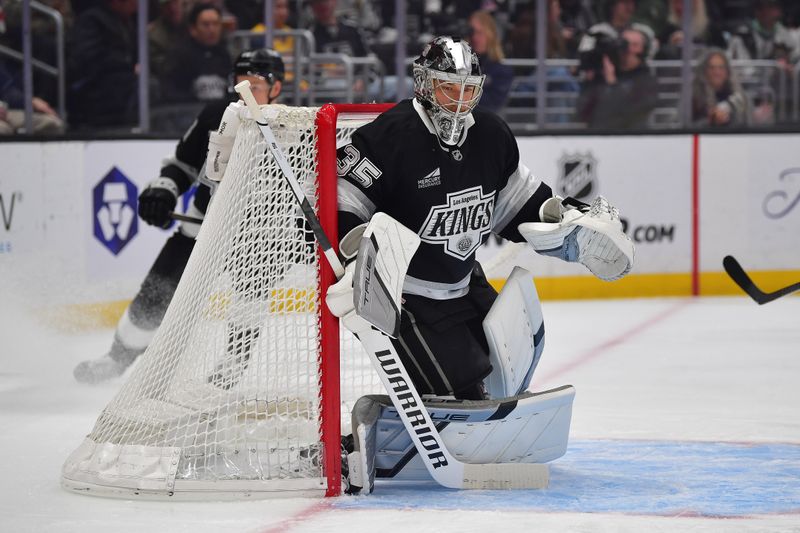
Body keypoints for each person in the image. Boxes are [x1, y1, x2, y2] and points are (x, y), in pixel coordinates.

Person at [327, 37, 633, 402]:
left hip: (464, 283)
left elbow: (519, 201)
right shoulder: (388, 137)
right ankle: (391, 424)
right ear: (424, 84)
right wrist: (358, 264)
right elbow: (344, 202)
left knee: (511, 368)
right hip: (406, 297)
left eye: (467, 89)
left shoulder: (490, 134)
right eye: (448, 88)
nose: (459, 100)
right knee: (463, 390)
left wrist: (564, 220)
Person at [73, 49, 285, 384]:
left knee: (249, 299)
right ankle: (117, 358)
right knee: (156, 292)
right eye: (239, 84)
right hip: (201, 226)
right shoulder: (217, 114)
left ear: (276, 88)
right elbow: (182, 165)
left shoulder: (292, 125)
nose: (244, 94)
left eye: (254, 86)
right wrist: (164, 190)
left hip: (258, 236)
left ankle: (232, 366)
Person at [66, 0, 138, 129]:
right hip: (96, 87)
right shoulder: (92, 20)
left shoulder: (127, 22)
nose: (137, 3)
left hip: (122, 81)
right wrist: (126, 65)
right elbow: (86, 58)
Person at [576, 27, 658, 129]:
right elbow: (582, 113)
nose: (627, 49)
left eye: (634, 45)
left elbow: (632, 112)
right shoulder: (602, 74)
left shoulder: (646, 79)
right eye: (624, 43)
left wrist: (612, 83)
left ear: (643, 50)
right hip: (599, 133)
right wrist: (590, 80)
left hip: (631, 134)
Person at [165, 2, 232, 104]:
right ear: (193, 29)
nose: (212, 29)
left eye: (215, 24)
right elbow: (170, 92)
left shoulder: (225, 55)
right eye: (206, 24)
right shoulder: (179, 57)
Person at [467, 10, 512, 113]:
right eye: (471, 33)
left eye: (480, 33)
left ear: (490, 35)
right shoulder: (459, 66)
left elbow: (493, 105)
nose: (474, 37)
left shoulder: (502, 71)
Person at [692, 48, 750, 126]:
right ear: (704, 71)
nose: (717, 72)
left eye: (721, 67)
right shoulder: (693, 95)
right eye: (711, 68)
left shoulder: (738, 95)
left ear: (727, 71)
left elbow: (747, 123)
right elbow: (685, 126)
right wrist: (711, 121)